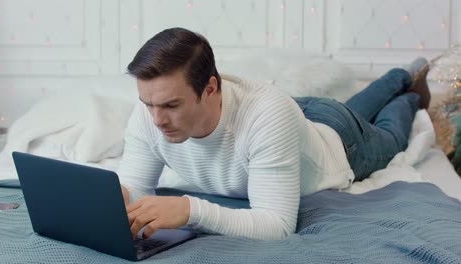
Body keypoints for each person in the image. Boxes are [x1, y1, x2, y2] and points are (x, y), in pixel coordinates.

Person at [118, 27, 431, 240]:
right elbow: (138, 190)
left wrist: (191, 210)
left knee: (390, 135)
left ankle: (408, 90)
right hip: (292, 121)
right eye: (148, 104)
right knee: (354, 106)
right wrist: (120, 197)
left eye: (171, 105)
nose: (157, 120)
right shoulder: (150, 115)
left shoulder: (267, 114)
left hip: (340, 140)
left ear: (210, 87)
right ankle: (399, 77)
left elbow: (277, 225)